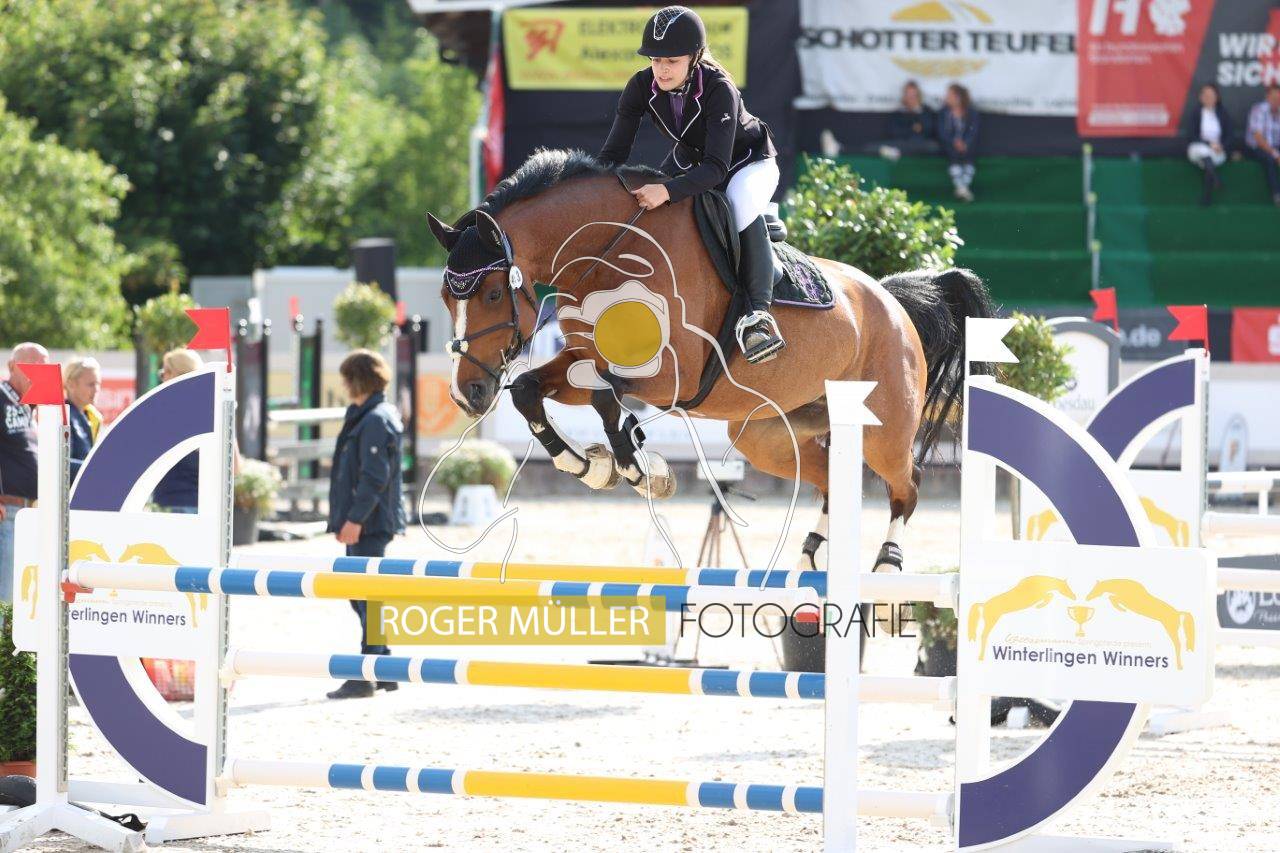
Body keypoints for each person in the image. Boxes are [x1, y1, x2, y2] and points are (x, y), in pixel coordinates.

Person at [597, 5, 784, 364]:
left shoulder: (719, 88)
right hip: (692, 161)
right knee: (652, 212)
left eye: (672, 61)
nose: (662, 69)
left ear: (694, 57)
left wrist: (667, 190)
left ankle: (758, 316)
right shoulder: (640, 86)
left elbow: (717, 168)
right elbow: (614, 154)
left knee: (737, 205)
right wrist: (588, 185)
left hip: (747, 164)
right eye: (656, 60)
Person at [325, 350, 406, 700]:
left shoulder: (374, 419)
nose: (343, 385)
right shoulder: (366, 415)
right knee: (362, 595)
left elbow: (375, 476)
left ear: (357, 380)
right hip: (365, 519)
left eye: (347, 379)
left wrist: (355, 519)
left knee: (367, 597)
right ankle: (384, 669)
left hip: (369, 521)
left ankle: (364, 676)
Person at [0, 343, 48, 604]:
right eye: (33, 365)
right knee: (5, 600)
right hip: (7, 513)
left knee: (21, 600)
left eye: (45, 367)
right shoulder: (1, 397)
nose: (40, 372)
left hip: (30, 514)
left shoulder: (31, 406)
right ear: (11, 366)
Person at [151, 349, 203, 513]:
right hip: (205, 507)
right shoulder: (211, 409)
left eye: (164, 373)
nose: (162, 379)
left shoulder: (165, 411)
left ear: (175, 374)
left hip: (171, 504)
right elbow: (235, 467)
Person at [1184, 84, 1234, 206]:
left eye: (1211, 95)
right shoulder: (1196, 113)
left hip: (1217, 150)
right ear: (1200, 97)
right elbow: (1191, 135)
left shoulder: (1223, 113)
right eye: (1205, 95)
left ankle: (1207, 197)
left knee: (1208, 161)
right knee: (1204, 152)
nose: (1208, 98)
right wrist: (1209, 144)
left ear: (1217, 97)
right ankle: (1216, 179)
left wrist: (1221, 146)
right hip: (1198, 148)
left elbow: (1230, 135)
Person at [867, 81, 940, 161]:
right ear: (904, 96)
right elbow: (893, 132)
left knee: (933, 146)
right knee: (873, 148)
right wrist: (912, 128)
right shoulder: (897, 114)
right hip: (901, 145)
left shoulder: (926, 112)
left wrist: (916, 112)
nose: (911, 98)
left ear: (918, 96)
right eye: (908, 95)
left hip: (921, 145)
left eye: (913, 95)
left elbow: (929, 130)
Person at [64, 357, 104, 483]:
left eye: (98, 384)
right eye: (91, 384)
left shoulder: (92, 416)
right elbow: (60, 464)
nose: (96, 389)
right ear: (71, 384)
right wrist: (98, 470)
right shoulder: (61, 415)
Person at [939, 83, 979, 202]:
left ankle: (962, 188)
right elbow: (942, 132)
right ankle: (963, 189)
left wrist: (965, 143)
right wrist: (954, 142)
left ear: (958, 97)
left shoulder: (971, 112)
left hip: (967, 147)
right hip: (950, 146)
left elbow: (973, 131)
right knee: (953, 154)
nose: (946, 97)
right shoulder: (944, 113)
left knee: (969, 157)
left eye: (949, 95)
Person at [1244, 83, 1280, 205]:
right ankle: (1277, 194)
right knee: (1269, 159)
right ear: (1267, 97)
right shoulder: (1258, 110)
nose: (1277, 101)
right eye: (1274, 98)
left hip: (1274, 145)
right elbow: (1258, 138)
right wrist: (1276, 154)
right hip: (1255, 147)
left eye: (1279, 98)